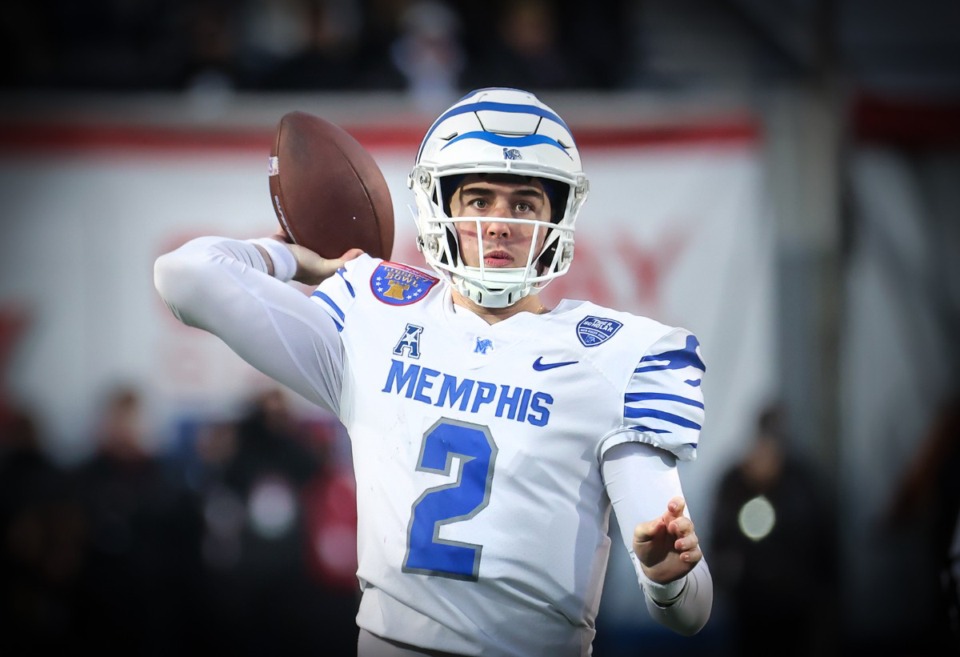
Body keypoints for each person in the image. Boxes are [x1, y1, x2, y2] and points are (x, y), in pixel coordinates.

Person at [155, 87, 712, 656]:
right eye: (478, 200)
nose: (498, 224)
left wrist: (666, 579)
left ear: (557, 216)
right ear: (439, 205)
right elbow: (185, 276)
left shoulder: (617, 355)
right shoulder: (376, 315)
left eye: (523, 204)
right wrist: (294, 256)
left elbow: (691, 611)